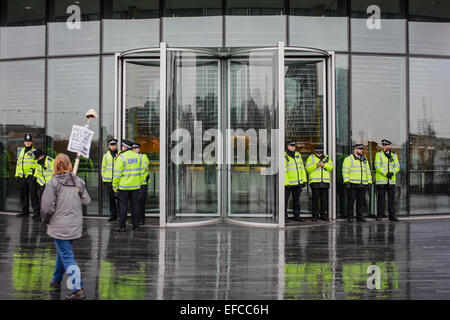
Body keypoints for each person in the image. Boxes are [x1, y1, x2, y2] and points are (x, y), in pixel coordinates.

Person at [40, 153, 91, 300]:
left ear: (55, 166)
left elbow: (46, 207)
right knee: (63, 252)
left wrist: (45, 219)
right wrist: (77, 191)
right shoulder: (78, 181)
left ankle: (77, 288)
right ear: (69, 165)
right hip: (75, 225)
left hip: (60, 225)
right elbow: (86, 200)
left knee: (67, 255)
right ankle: (56, 281)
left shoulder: (53, 183)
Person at [113, 139, 142, 232]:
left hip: (124, 187)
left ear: (125, 147)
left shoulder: (121, 157)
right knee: (135, 206)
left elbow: (117, 174)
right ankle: (136, 226)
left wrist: (115, 186)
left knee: (123, 207)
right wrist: (139, 183)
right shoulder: (138, 157)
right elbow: (141, 173)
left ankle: (122, 227)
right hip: (135, 186)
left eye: (122, 146)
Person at [342, 144, 372, 222]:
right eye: (360, 149)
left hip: (363, 184)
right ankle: (350, 216)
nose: (362, 151)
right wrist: (346, 182)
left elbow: (368, 171)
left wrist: (369, 182)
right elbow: (345, 171)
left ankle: (360, 216)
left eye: (362, 149)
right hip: (352, 184)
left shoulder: (364, 159)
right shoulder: (348, 159)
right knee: (351, 202)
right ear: (355, 150)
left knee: (361, 202)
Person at [305, 145, 334, 221]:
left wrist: (324, 165)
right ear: (314, 151)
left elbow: (331, 167)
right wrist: (316, 165)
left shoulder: (327, 158)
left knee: (324, 200)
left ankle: (324, 215)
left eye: (320, 152)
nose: (319, 154)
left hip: (325, 182)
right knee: (315, 200)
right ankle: (315, 215)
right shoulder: (311, 158)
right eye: (317, 152)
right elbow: (307, 169)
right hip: (315, 182)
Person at [374, 139, 400, 222]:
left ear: (389, 146)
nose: (384, 146)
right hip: (381, 181)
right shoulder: (379, 154)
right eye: (383, 145)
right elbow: (377, 166)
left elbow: (397, 166)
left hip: (391, 181)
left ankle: (392, 216)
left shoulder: (394, 155)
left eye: (386, 145)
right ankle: (379, 215)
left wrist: (392, 172)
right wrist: (386, 173)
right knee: (381, 199)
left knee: (391, 199)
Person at [15, 134, 39, 219]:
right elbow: (18, 164)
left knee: (33, 195)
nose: (27, 143)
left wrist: (35, 175)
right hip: (22, 177)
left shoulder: (35, 151)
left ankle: (36, 212)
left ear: (31, 142)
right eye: (26, 141)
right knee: (23, 195)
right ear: (24, 142)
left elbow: (38, 164)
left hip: (31, 177)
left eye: (29, 141)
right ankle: (25, 212)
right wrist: (17, 175)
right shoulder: (21, 151)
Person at [284, 140, 307, 222]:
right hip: (289, 184)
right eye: (292, 146)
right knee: (285, 201)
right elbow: (284, 171)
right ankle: (284, 217)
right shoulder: (284, 156)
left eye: (294, 146)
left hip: (298, 183)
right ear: (288, 146)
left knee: (296, 201)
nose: (294, 147)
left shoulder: (297, 155)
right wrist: (286, 183)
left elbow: (302, 168)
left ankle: (297, 216)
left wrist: (304, 180)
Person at [32, 148, 54, 221]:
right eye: (37, 158)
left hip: (50, 185)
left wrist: (50, 183)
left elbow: (54, 173)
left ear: (42, 155)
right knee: (42, 201)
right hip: (42, 184)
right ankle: (42, 216)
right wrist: (35, 177)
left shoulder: (50, 161)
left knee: (49, 202)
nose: (38, 159)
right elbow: (37, 171)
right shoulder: (38, 162)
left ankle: (50, 216)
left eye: (38, 157)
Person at [101, 138, 119, 222]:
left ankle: (121, 215)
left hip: (118, 181)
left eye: (114, 145)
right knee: (111, 199)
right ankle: (113, 215)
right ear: (109, 146)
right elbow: (103, 168)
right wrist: (104, 178)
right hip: (108, 181)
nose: (113, 146)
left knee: (120, 199)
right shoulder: (106, 155)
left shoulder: (120, 154)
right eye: (111, 145)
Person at [132, 143, 149, 225]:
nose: (135, 150)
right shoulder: (130, 158)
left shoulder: (143, 157)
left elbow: (144, 167)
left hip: (142, 183)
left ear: (139, 149)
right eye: (134, 148)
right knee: (135, 202)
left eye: (137, 148)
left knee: (141, 202)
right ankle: (136, 219)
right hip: (133, 183)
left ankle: (142, 219)